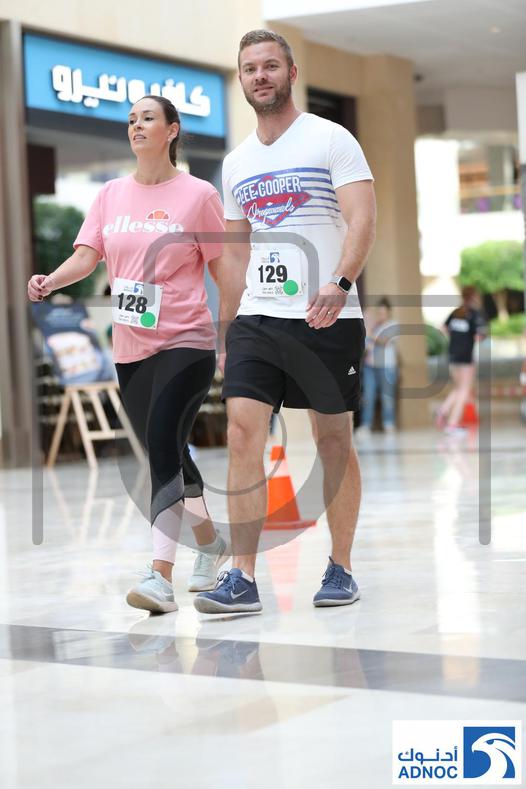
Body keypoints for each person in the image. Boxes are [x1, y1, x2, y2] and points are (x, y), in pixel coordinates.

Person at [194, 29, 376, 614]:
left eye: (270, 66)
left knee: (331, 440)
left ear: (291, 73)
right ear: (241, 79)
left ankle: (341, 566)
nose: (261, 76)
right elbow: (236, 254)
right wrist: (227, 328)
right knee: (242, 432)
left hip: (327, 315)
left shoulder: (331, 138)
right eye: (250, 68)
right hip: (258, 317)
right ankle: (242, 576)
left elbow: (362, 218)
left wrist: (340, 283)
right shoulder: (237, 162)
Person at [28, 95, 228, 612]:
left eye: (148, 119)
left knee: (162, 445)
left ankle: (160, 574)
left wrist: (231, 338)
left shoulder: (199, 195)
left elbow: (223, 272)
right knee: (169, 451)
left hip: (186, 341)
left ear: (172, 130)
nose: (137, 126)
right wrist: (50, 281)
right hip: (130, 348)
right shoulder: (111, 195)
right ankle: (210, 544)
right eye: (132, 120)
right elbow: (86, 257)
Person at [436, 286, 486, 435]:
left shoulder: (456, 312)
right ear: (474, 297)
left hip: (453, 355)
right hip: (465, 357)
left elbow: (442, 328)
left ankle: (443, 410)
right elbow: (478, 336)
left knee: (458, 388)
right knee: (464, 390)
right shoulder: (474, 314)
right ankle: (452, 424)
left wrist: (456, 338)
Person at [359, 297, 399, 435]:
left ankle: (389, 423)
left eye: (383, 312)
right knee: (368, 396)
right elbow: (366, 344)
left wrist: (369, 333)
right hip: (370, 366)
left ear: (389, 312)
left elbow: (384, 341)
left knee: (387, 396)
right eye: (379, 312)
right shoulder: (374, 326)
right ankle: (366, 425)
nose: (381, 315)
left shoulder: (393, 325)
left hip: (387, 367)